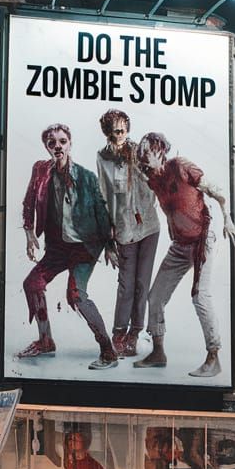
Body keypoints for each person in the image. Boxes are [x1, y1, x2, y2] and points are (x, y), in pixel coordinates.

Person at [133, 132, 235, 378]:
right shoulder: (152, 181)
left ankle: (214, 356)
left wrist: (227, 218)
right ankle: (158, 353)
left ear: (159, 151)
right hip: (179, 246)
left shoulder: (180, 166)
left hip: (203, 239)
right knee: (155, 297)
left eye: (146, 155)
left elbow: (216, 191)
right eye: (140, 157)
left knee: (200, 296)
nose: (143, 162)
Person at [19, 123, 119, 370]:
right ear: (47, 147)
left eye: (62, 141)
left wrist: (109, 245)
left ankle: (108, 350)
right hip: (57, 246)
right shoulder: (41, 171)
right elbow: (29, 201)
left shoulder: (86, 177)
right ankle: (45, 341)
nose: (57, 146)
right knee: (32, 284)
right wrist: (29, 233)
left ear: (70, 144)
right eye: (52, 142)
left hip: (84, 246)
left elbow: (102, 212)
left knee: (75, 296)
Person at [95, 108, 160, 359]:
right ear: (107, 133)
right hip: (123, 228)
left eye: (122, 130)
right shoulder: (103, 157)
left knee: (142, 283)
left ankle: (135, 332)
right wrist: (107, 236)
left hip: (149, 226)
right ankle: (119, 333)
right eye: (114, 132)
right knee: (126, 283)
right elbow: (104, 193)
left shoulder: (140, 151)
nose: (119, 136)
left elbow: (155, 181)